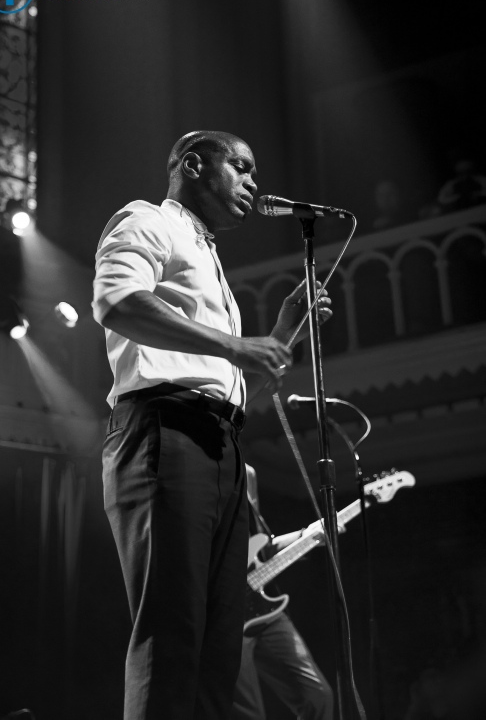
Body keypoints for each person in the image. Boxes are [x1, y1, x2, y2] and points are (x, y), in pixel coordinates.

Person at [92, 130, 332, 720]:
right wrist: (234, 344)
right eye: (242, 167)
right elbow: (117, 302)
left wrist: (280, 332)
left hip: (219, 443)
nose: (253, 184)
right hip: (165, 431)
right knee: (173, 631)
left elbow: (231, 362)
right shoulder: (146, 220)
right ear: (194, 164)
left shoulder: (207, 254)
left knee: (219, 645)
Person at [232, 464, 333, 720]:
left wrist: (305, 535)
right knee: (248, 713)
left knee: (317, 697)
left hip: (263, 606)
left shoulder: (247, 473)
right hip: (224, 609)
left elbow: (260, 547)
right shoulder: (199, 466)